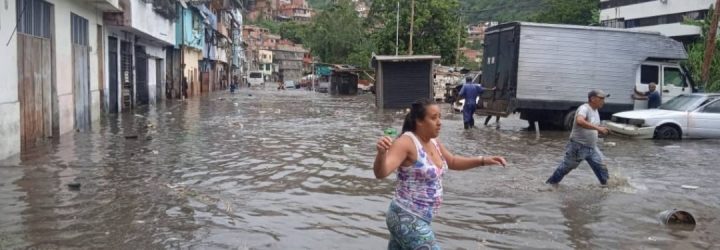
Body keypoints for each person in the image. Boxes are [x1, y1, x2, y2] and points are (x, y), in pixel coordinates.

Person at [374, 99, 508, 249]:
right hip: (407, 217)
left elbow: (452, 161)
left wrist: (483, 160)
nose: (439, 122)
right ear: (419, 121)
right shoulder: (406, 142)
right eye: (433, 118)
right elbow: (381, 172)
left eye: (440, 117)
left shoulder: (434, 142)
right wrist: (381, 154)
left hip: (419, 218)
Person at [546, 90, 610, 185]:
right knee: (565, 168)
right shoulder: (584, 108)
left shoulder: (595, 111)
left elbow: (591, 128)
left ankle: (607, 188)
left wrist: (601, 131)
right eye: (601, 98)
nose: (603, 101)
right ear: (592, 99)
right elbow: (580, 121)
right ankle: (550, 185)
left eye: (604, 99)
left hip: (592, 147)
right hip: (578, 147)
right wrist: (598, 128)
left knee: (602, 168)